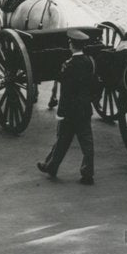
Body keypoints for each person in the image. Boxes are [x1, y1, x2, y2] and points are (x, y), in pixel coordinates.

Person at [37, 29, 96, 184]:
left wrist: (60, 112)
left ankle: (52, 166)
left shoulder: (68, 65)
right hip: (84, 109)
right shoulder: (90, 61)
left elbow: (66, 92)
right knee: (87, 142)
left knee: (62, 139)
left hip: (70, 111)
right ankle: (87, 173)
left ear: (71, 44)